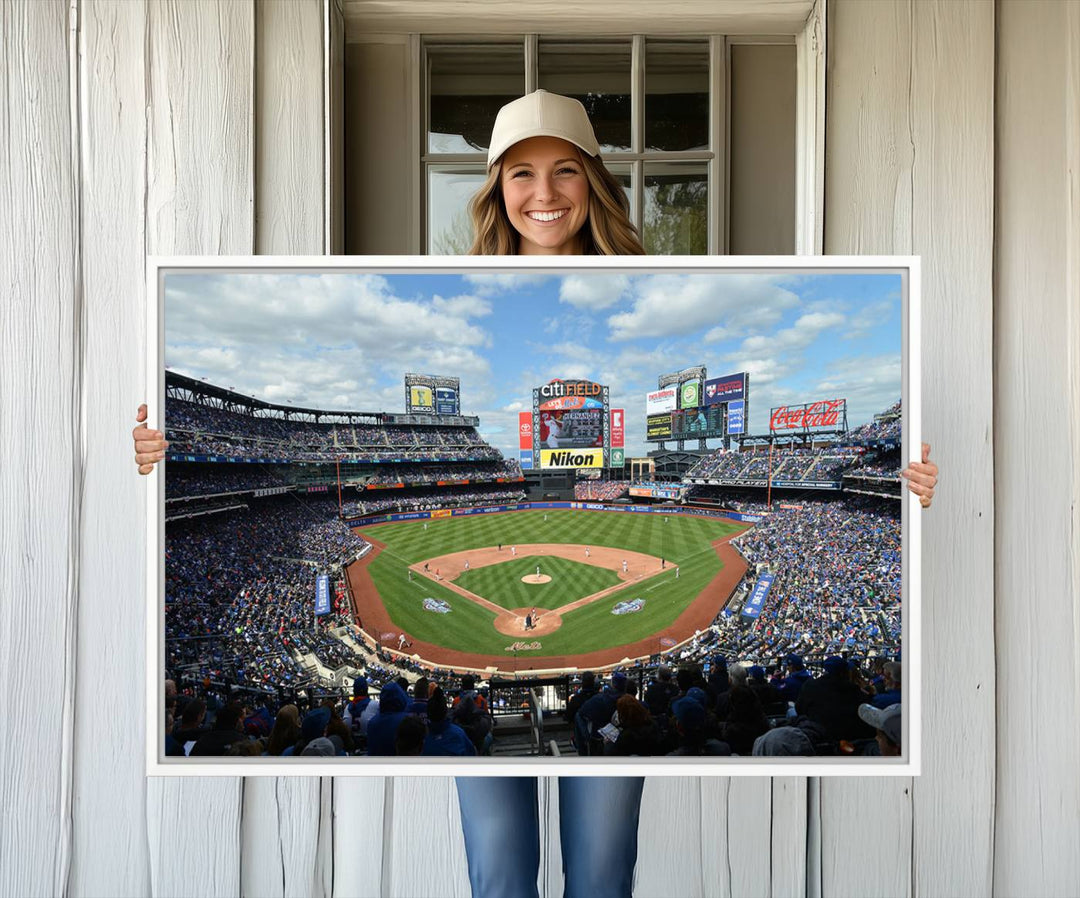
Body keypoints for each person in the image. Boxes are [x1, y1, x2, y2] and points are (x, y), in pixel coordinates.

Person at [131, 88, 939, 898]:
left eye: (564, 171)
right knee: (500, 872)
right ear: (495, 189)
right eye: (520, 173)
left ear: (594, 181)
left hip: (572, 735)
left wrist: (909, 480)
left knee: (600, 870)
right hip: (557, 726)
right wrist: (156, 456)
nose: (543, 193)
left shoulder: (666, 277)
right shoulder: (451, 277)